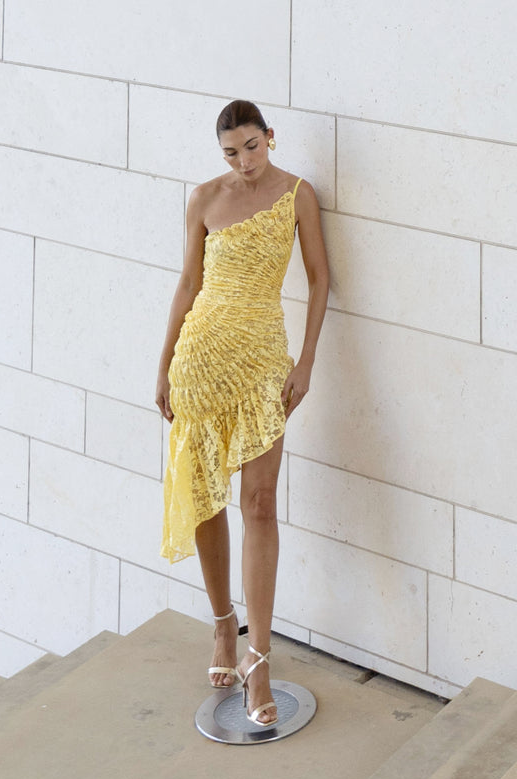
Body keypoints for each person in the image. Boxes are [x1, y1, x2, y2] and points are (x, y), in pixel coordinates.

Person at [155, 99, 329, 727]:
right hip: (200, 361)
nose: (244, 161)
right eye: (232, 152)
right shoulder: (203, 197)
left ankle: (259, 661)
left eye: (252, 146)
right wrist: (164, 363)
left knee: (259, 503)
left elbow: (318, 278)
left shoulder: (297, 194)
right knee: (205, 497)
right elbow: (187, 285)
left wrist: (305, 362)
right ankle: (224, 628)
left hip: (262, 361)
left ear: (269, 138)